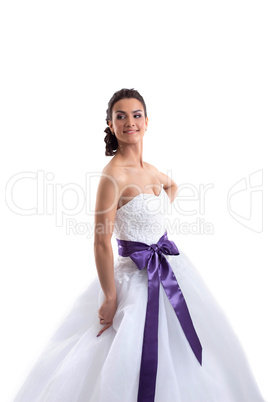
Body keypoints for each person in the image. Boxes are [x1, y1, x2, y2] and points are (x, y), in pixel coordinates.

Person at [13, 88, 265, 402]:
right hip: (133, 276)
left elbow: (171, 186)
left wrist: (154, 220)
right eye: (121, 116)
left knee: (189, 352)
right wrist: (109, 296)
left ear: (147, 122)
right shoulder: (112, 176)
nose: (130, 122)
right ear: (110, 124)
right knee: (126, 351)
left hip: (172, 268)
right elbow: (101, 241)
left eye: (136, 115)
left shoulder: (150, 170)